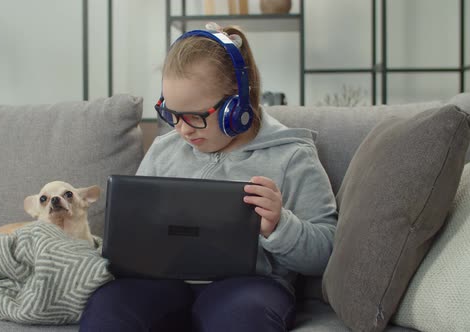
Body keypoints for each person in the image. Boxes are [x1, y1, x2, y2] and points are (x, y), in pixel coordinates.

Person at [80, 22, 337, 332]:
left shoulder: (291, 156)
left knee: (243, 319)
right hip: (160, 285)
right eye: (171, 114)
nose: (182, 129)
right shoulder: (164, 150)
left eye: (195, 116)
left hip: (248, 289)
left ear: (237, 104)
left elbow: (327, 252)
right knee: (109, 307)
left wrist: (281, 226)